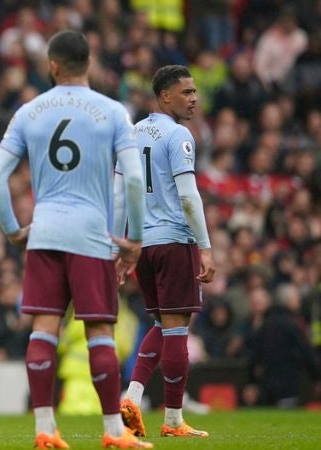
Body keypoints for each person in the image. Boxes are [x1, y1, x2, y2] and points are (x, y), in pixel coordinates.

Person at [0, 30, 151, 449]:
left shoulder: (29, 111)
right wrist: (132, 238)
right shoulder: (114, 111)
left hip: (44, 232)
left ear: (53, 65)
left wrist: (12, 230)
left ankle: (45, 429)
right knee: (99, 331)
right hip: (92, 234)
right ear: (89, 63)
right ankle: (114, 432)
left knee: (44, 329)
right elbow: (133, 177)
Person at [114, 65, 216, 438]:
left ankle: (133, 396)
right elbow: (188, 196)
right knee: (176, 331)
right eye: (186, 92)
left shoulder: (130, 133)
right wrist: (205, 248)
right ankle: (173, 420)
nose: (193, 99)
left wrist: (122, 247)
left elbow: (119, 194)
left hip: (143, 245)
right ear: (165, 97)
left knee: (159, 324)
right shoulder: (178, 135)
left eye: (194, 92)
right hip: (174, 240)